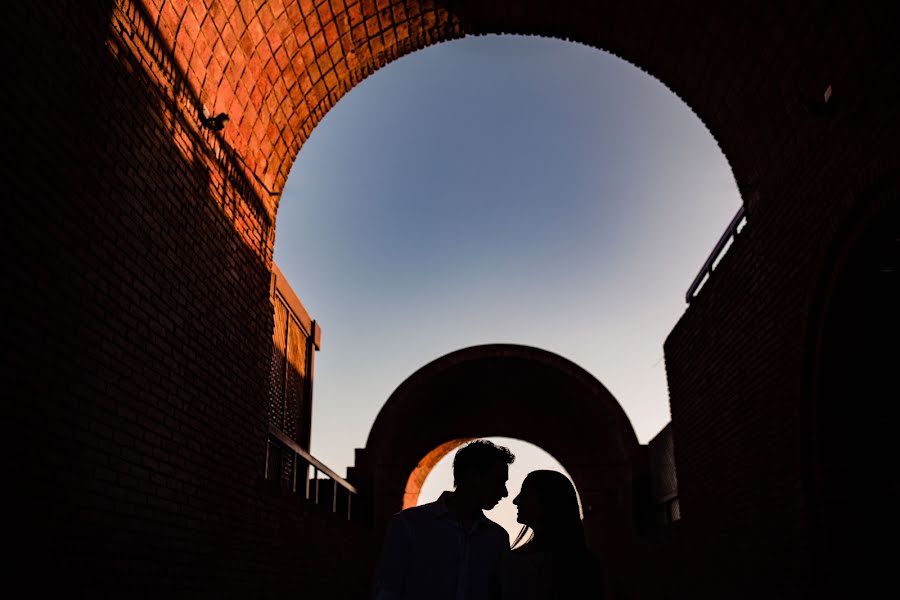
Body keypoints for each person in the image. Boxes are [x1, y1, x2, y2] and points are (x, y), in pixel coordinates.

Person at [373, 439, 515, 600]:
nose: (504, 492)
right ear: (473, 475)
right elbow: (388, 590)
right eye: (499, 481)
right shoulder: (408, 525)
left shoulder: (498, 538)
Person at [501, 470, 604, 600]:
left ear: (547, 501)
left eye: (526, 494)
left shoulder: (512, 562)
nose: (516, 500)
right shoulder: (586, 565)